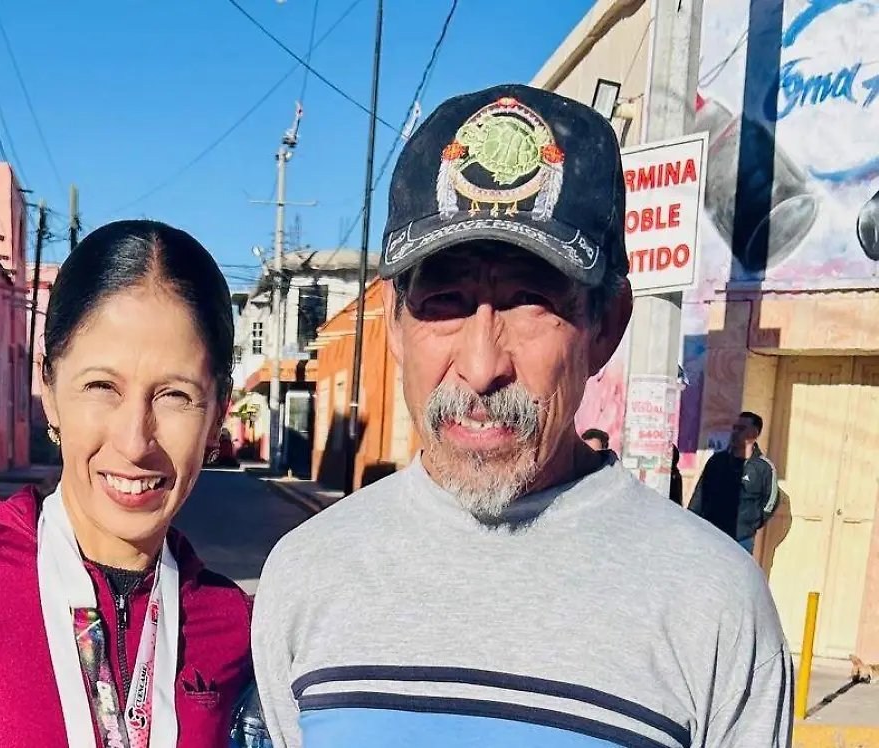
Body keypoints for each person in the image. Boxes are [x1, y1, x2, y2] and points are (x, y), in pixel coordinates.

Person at [252, 85, 792, 747]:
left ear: (606, 326)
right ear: (393, 324)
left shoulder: (715, 605)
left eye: (530, 301)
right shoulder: (307, 573)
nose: (482, 366)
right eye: (445, 301)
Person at [0, 220, 254, 747]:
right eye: (101, 386)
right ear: (49, 391)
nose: (134, 440)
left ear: (218, 414)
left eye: (175, 395)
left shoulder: (234, 624)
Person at [689, 411, 779, 554]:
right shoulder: (717, 461)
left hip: (741, 539)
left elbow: (770, 502)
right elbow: (700, 494)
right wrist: (691, 521)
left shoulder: (764, 468)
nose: (735, 432)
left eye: (741, 429)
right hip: (710, 533)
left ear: (754, 434)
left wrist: (751, 523)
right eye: (735, 428)